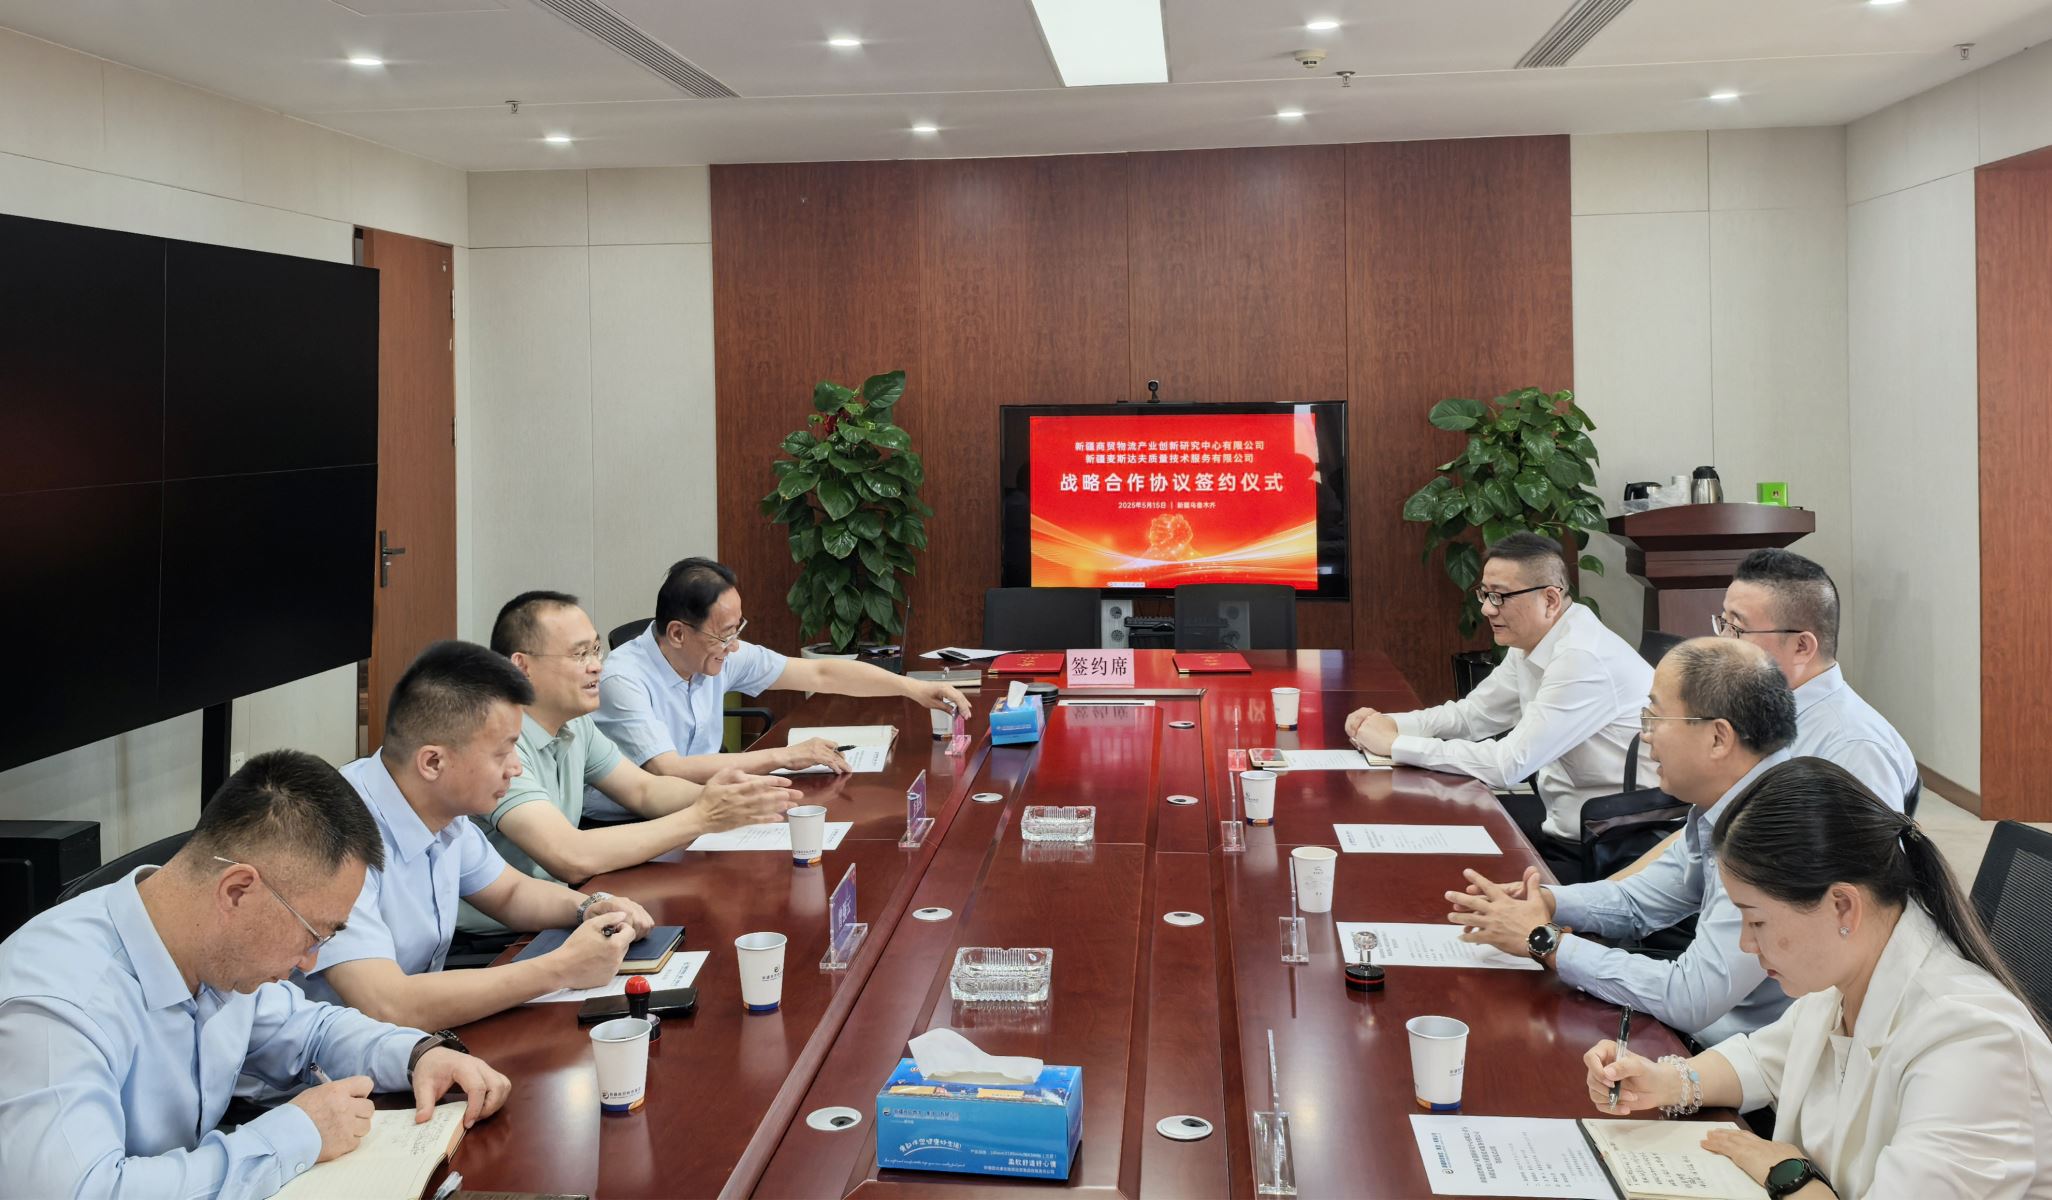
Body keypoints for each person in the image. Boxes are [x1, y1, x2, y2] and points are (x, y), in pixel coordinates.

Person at [0, 750, 511, 1200]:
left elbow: (310, 1031)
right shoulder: (58, 1007)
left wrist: (418, 1054)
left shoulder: (211, 950)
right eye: (313, 934)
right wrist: (294, 1136)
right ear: (237, 891)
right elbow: (86, 1192)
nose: (310, 962)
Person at [1583, 758, 2052, 1198]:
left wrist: (1788, 1174)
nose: (1746, 943)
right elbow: (1766, 1060)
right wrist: (1664, 1081)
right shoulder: (1853, 967)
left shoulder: (1974, 1043)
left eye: (1757, 920)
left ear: (1842, 906)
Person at [1448, 638, 1798, 1046]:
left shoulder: (1774, 831)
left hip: (1737, 1061)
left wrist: (1545, 941)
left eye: (1655, 717)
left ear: (1718, 738)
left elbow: (1689, 997)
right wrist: (1547, 902)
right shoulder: (1727, 802)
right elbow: (1637, 902)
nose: (1645, 735)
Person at [299, 641, 659, 1029]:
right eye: (503, 753)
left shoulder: (440, 807)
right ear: (433, 762)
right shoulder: (332, 837)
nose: (516, 768)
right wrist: (562, 968)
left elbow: (510, 893)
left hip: (413, 1035)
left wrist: (592, 906)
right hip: (325, 1059)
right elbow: (388, 1005)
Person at [462, 590, 797, 931]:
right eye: (579, 654)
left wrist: (731, 797)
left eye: (596, 649)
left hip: (563, 910)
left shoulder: (574, 723)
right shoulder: (497, 745)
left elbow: (643, 790)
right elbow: (570, 856)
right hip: (497, 939)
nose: (597, 665)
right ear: (522, 666)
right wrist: (703, 816)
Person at [1346, 532, 1656, 881]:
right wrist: (1390, 724)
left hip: (1609, 848)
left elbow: (1508, 765)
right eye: (1484, 594)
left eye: (1500, 596)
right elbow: (1473, 715)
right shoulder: (1534, 640)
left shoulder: (1582, 658)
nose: (1487, 609)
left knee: (1444, 877)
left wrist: (1396, 745)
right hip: (1563, 826)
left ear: (1550, 599)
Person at [584, 557, 974, 820]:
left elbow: (821, 673)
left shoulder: (715, 652)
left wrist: (912, 688)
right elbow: (668, 770)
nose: (734, 646)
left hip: (708, 805)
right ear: (677, 634)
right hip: (628, 826)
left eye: (738, 628)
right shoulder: (623, 679)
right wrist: (784, 756)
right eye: (725, 634)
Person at [1719, 548, 1917, 806]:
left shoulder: (1853, 749)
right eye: (1722, 623)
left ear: (1801, 647)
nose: (1722, 641)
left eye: (1736, 628)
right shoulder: (1756, 707)